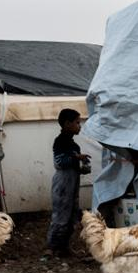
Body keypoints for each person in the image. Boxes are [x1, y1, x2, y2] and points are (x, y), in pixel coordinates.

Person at [45, 108, 90, 257]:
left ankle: (64, 247)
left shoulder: (74, 145)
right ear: (67, 123)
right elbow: (60, 163)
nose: (80, 126)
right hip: (63, 184)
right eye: (77, 122)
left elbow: (73, 166)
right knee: (60, 216)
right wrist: (76, 159)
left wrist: (83, 168)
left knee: (71, 216)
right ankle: (50, 247)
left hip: (72, 184)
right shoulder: (60, 142)